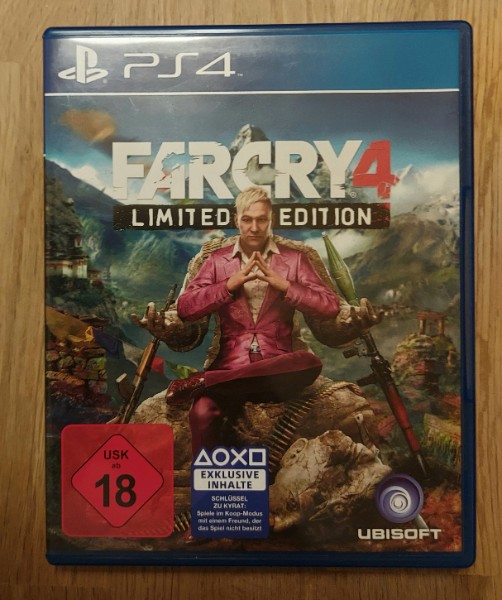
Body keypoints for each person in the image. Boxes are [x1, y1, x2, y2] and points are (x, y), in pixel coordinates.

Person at [134, 187, 380, 455]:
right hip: (229, 367)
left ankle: (204, 381)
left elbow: (329, 305)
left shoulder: (295, 258)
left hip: (280, 371)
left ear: (270, 219)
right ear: (236, 220)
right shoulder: (216, 260)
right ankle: (207, 469)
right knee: (203, 413)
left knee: (308, 362)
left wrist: (286, 286)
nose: (254, 227)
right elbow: (186, 306)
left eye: (261, 219)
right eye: (247, 219)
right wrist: (228, 285)